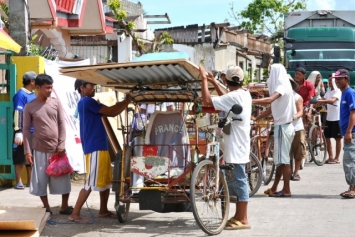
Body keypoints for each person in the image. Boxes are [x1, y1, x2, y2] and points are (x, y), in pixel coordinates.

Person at [69, 79, 131, 222]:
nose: (94, 87)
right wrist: (126, 101)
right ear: (81, 87)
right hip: (95, 146)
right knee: (91, 182)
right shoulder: (86, 101)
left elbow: (110, 111)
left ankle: (103, 210)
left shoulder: (88, 102)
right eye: (91, 84)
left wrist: (125, 102)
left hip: (99, 146)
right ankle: (75, 214)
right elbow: (111, 112)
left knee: (105, 180)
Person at [199, 65, 251, 230]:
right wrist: (214, 81)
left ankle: (243, 219)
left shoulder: (235, 96)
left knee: (240, 180)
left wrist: (204, 79)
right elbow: (227, 98)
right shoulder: (244, 94)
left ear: (227, 80)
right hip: (237, 143)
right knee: (235, 180)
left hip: (237, 145)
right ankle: (238, 216)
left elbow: (207, 101)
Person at [23, 74, 72, 215]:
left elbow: (62, 124)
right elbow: (26, 130)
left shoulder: (56, 103)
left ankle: (64, 206)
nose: (50, 90)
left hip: (58, 150)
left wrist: (61, 144)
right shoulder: (29, 107)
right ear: (37, 87)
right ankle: (47, 207)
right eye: (47, 87)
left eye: (51, 87)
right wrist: (27, 151)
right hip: (39, 149)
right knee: (40, 180)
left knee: (63, 178)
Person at [253, 64, 295, 197]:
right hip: (283, 127)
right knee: (281, 161)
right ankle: (275, 187)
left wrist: (250, 100)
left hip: (283, 127)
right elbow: (272, 108)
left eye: (271, 73)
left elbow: (270, 100)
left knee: (284, 161)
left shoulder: (282, 87)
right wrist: (257, 118)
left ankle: (286, 190)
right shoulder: (283, 87)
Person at [332, 69, 355, 198]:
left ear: (346, 79)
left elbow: (353, 113)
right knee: (350, 161)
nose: (337, 81)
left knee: (349, 161)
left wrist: (349, 132)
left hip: (351, 133)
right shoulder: (344, 94)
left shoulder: (350, 93)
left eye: (340, 79)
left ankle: (353, 188)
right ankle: (352, 187)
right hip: (349, 132)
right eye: (336, 79)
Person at [12, 71, 37, 189]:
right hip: (22, 132)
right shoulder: (20, 94)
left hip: (32, 131)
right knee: (19, 157)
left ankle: (30, 181)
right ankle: (19, 182)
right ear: (32, 81)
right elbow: (18, 112)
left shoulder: (33, 95)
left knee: (30, 157)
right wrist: (18, 131)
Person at [317, 76, 342, 164]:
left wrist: (322, 101)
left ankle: (337, 157)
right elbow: (324, 99)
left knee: (337, 138)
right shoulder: (328, 92)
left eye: (331, 81)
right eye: (329, 81)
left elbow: (332, 101)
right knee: (327, 138)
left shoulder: (338, 91)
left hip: (337, 118)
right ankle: (330, 157)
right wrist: (316, 101)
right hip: (329, 118)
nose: (330, 83)